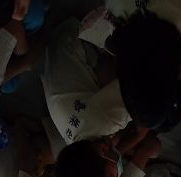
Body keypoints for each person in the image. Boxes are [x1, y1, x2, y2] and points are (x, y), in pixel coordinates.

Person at [42, 15, 130, 146]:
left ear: (103, 150)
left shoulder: (106, 123)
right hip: (53, 43)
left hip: (74, 34)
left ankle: (120, 32)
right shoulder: (73, 143)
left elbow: (138, 92)